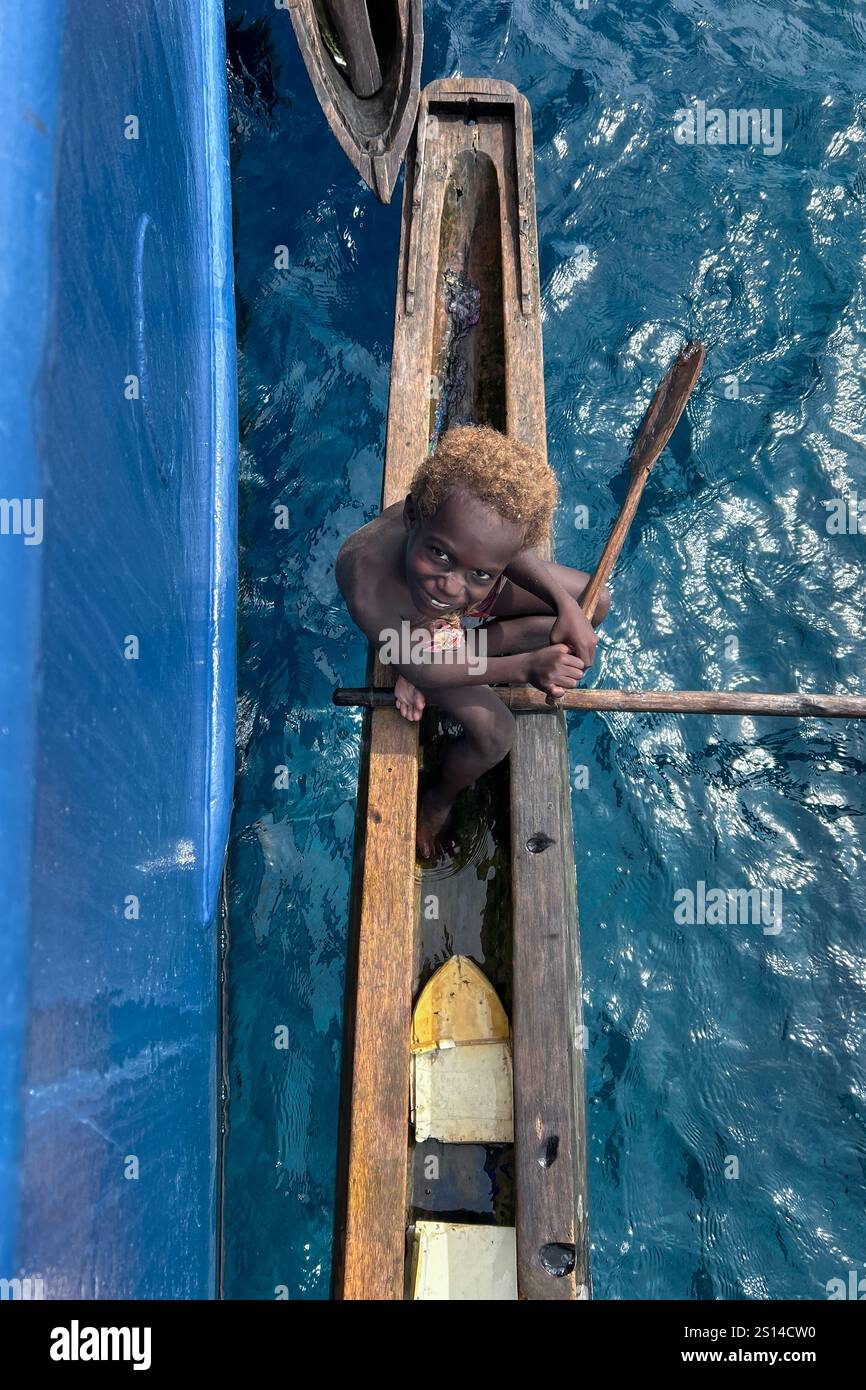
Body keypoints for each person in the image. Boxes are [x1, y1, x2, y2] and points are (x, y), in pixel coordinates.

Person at [335, 424, 611, 859]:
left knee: (594, 602)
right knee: (496, 734)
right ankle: (436, 800)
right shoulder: (367, 582)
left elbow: (501, 547)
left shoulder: (461, 556)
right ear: (412, 518)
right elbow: (422, 663)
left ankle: (463, 641)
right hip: (408, 630)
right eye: (439, 554)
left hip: (449, 622)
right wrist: (526, 667)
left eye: (480, 570)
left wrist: (567, 606)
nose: (448, 584)